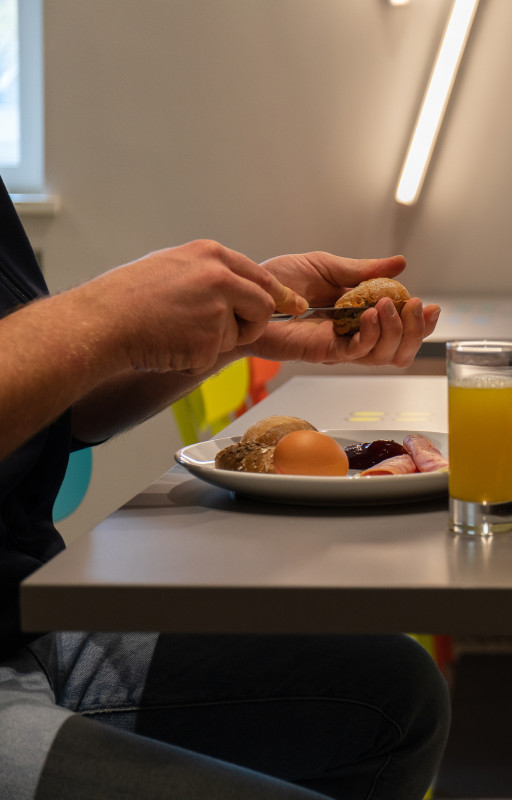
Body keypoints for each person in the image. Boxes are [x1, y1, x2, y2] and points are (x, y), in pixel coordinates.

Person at [0, 173, 451, 799]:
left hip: (32, 618)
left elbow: (51, 413)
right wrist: (104, 314)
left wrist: (245, 329)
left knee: (397, 697)